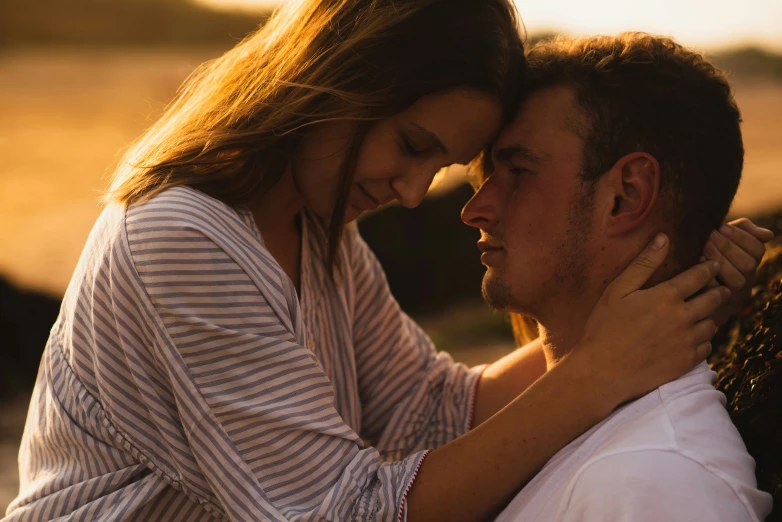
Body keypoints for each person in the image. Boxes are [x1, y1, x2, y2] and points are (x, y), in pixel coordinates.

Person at [5, 2, 770, 521]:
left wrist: (673, 288)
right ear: (337, 78)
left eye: (437, 167)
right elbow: (346, 511)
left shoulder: (322, 238)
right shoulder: (183, 237)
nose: (413, 194)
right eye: (411, 145)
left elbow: (434, 413)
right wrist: (596, 374)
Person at [460, 33, 774, 521]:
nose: (475, 209)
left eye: (519, 171)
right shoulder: (594, 451)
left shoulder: (654, 484)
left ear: (625, 195)